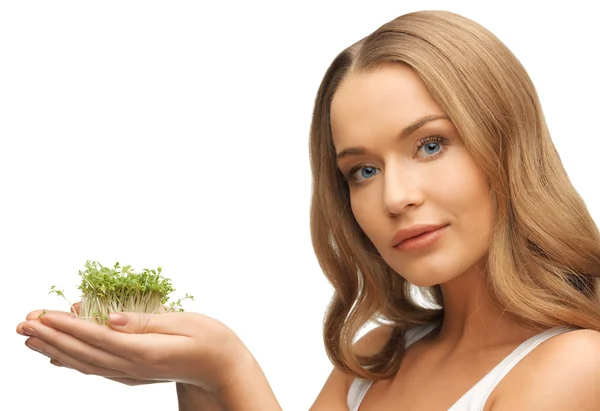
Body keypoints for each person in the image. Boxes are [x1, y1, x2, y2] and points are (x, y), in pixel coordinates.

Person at [16, 9, 600, 410]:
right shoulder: (376, 360)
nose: (395, 197)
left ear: (506, 143)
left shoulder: (576, 366)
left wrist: (229, 366)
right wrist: (198, 378)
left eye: (430, 144)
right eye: (362, 171)